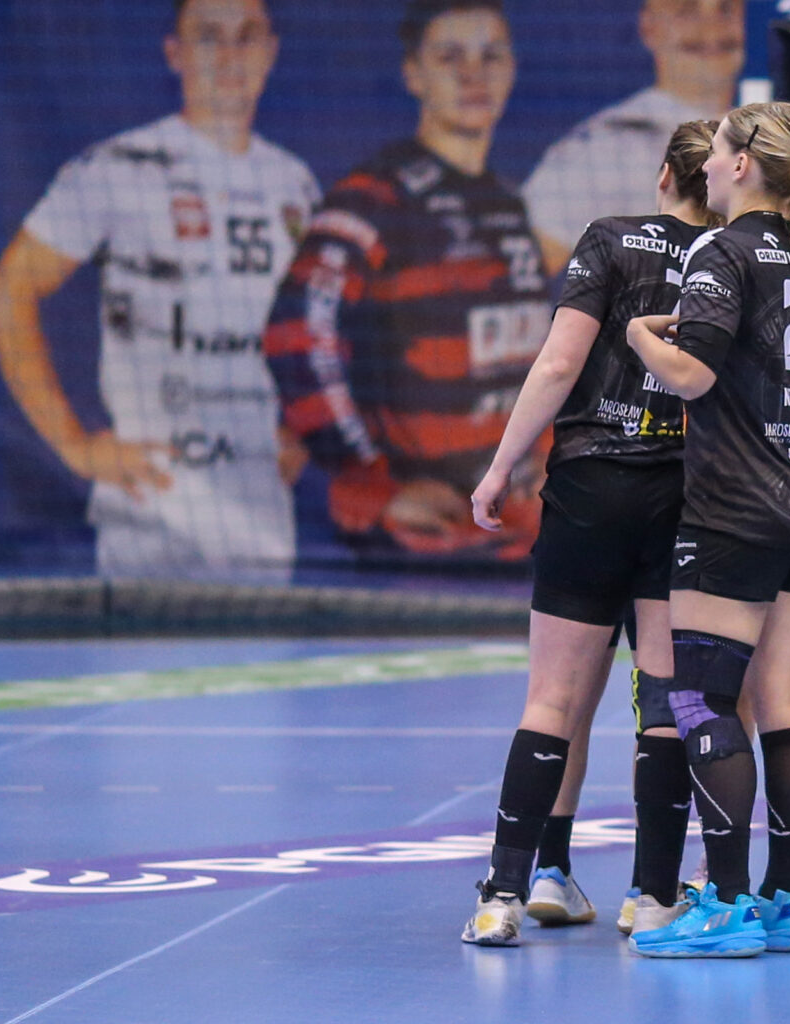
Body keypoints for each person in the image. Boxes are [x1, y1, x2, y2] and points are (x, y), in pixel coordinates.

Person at [459, 121, 719, 947]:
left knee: (553, 696)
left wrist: (500, 468)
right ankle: (654, 896)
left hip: (591, 487)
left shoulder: (609, 240)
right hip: (687, 493)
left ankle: (505, 894)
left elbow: (559, 363)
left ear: (663, 175)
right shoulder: (733, 258)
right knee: (666, 701)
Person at [623, 101, 790, 958]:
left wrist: (638, 334)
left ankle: (723, 904)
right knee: (785, 697)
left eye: (716, 153)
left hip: (734, 506)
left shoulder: (722, 250)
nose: (708, 167)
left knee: (698, 699)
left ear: (745, 163)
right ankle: (783, 902)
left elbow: (692, 373)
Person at [0, 0, 317, 581]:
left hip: (263, 528)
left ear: (270, 53)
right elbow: (11, 289)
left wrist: (303, 431)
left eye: (247, 36)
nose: (230, 55)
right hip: (151, 525)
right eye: (208, 36)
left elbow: (313, 328)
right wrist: (72, 445)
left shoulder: (294, 184)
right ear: (175, 53)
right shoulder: (120, 167)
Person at [264, 0, 551, 564]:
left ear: (513, 70)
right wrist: (373, 482)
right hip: (419, 549)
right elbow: (293, 335)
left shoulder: (508, 203)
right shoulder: (373, 198)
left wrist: (544, 455)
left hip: (512, 538)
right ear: (413, 75)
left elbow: (526, 360)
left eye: (491, 56)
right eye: (450, 57)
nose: (474, 75)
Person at [522, 0, 744, 274]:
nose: (712, 29)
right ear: (649, 28)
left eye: (726, 9)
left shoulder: (774, 137)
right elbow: (518, 276)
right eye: (686, 11)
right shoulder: (605, 147)